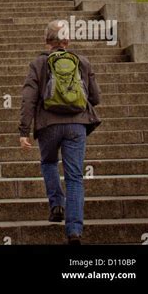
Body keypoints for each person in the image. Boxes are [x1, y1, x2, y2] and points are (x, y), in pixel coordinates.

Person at [19, 19, 101, 245]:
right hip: (76, 125)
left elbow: (28, 98)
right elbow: (95, 97)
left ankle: (56, 205)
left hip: (48, 125)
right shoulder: (82, 62)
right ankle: (74, 231)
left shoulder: (38, 64)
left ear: (47, 41)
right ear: (68, 40)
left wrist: (23, 131)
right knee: (75, 177)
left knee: (48, 162)